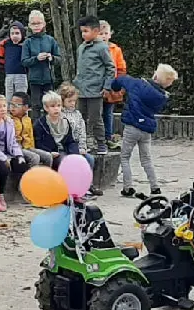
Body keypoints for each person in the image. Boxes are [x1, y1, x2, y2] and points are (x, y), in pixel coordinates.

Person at [112, 64, 178, 200]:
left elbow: (120, 80)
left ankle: (128, 187)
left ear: (155, 75)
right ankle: (155, 187)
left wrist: (114, 87)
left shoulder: (137, 84)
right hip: (146, 129)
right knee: (146, 159)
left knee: (124, 157)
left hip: (132, 126)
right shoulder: (161, 97)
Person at [74, 16, 115, 155]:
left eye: (86, 31)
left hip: (95, 90)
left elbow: (110, 68)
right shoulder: (81, 48)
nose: (83, 34)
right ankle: (83, 143)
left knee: (96, 118)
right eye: (82, 31)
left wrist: (106, 87)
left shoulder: (102, 48)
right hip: (81, 90)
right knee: (80, 118)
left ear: (96, 31)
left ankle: (101, 143)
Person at [0, 92, 32, 207]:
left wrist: (19, 155)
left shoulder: (9, 121)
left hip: (8, 153)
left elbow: (13, 142)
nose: (3, 109)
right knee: (3, 168)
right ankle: (0, 195)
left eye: (4, 106)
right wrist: (4, 158)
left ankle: (22, 191)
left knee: (23, 164)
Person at [56, 85, 102, 196]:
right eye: (69, 101)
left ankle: (87, 185)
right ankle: (68, 188)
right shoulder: (59, 114)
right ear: (62, 101)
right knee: (66, 161)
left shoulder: (77, 114)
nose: (72, 103)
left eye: (74, 101)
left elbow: (82, 132)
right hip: (63, 147)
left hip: (76, 146)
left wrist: (82, 147)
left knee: (89, 159)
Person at [21, 10, 62, 118]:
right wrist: (36, 58)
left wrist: (51, 58)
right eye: (33, 24)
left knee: (50, 104)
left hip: (49, 78)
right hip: (34, 79)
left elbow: (59, 59)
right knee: (36, 106)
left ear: (43, 24)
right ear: (29, 25)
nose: (36, 26)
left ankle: (51, 129)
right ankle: (37, 131)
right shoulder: (27, 42)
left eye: (38, 23)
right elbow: (24, 61)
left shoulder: (50, 40)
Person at [99, 20, 127, 150]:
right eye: (101, 33)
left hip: (111, 87)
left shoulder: (115, 50)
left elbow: (121, 68)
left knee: (108, 113)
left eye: (106, 33)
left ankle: (108, 137)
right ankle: (97, 138)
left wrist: (119, 85)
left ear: (110, 34)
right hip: (97, 86)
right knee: (96, 113)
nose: (103, 36)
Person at [10, 91, 53, 167]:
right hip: (16, 148)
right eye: (11, 104)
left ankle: (46, 176)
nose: (12, 107)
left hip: (28, 147)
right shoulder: (8, 120)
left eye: (16, 105)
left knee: (48, 156)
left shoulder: (28, 120)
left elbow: (31, 137)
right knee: (34, 158)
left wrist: (33, 149)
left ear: (25, 107)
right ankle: (31, 177)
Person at [0, 21, 28, 101]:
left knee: (21, 99)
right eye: (12, 33)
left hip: (22, 75)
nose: (14, 36)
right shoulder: (5, 44)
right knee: (9, 99)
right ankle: (9, 113)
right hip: (9, 75)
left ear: (22, 34)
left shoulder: (26, 45)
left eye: (17, 33)